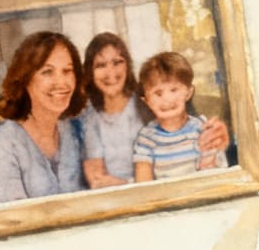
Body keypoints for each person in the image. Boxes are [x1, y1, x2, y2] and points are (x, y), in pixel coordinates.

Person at [0, 32, 86, 204]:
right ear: (25, 78)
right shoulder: (3, 145)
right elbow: (12, 222)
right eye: (47, 72)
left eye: (67, 71)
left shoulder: (75, 131)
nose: (61, 82)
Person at [132, 52, 228, 182]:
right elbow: (143, 184)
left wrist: (209, 162)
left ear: (188, 93)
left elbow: (218, 174)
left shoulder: (203, 127)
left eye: (174, 90)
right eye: (158, 93)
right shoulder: (146, 137)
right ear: (146, 101)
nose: (167, 99)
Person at [77, 32, 145, 189]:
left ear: (127, 65)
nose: (110, 73)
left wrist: (126, 184)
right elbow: (97, 179)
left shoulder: (146, 104)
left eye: (117, 62)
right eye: (100, 65)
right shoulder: (88, 115)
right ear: (90, 72)